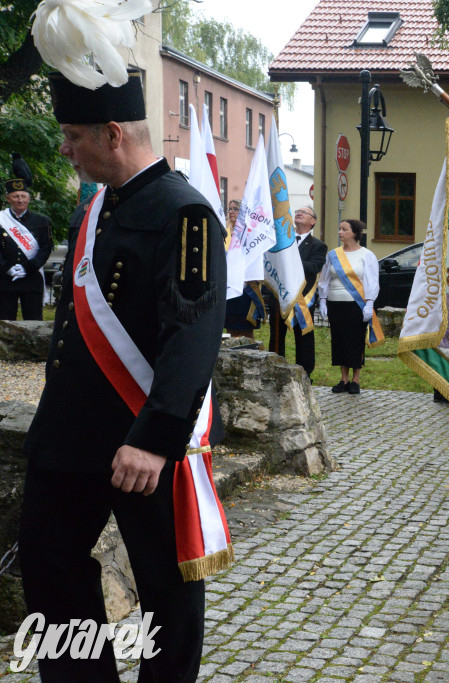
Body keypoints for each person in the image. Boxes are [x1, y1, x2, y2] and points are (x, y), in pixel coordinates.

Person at [18, 68, 229, 682]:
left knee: (168, 592)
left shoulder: (186, 212)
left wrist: (156, 438)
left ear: (113, 133)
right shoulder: (98, 208)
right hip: (72, 438)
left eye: (74, 135)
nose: (64, 147)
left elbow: (192, 337)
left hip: (143, 443)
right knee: (49, 562)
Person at [318, 218, 378, 394]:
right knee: (339, 340)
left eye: (344, 229)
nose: (340, 232)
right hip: (336, 303)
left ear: (354, 233)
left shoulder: (366, 255)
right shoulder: (333, 255)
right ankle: (343, 379)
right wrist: (322, 299)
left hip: (356, 304)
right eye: (339, 229)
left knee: (355, 340)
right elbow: (325, 279)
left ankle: (355, 380)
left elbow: (372, 280)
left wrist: (370, 302)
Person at [271, 206, 326, 377]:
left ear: (313, 221)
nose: (298, 213)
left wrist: (291, 260)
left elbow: (314, 266)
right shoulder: (282, 241)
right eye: (297, 212)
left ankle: (304, 374)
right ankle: (275, 369)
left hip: (302, 297)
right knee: (276, 336)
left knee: (304, 338)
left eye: (304, 212)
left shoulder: (318, 245)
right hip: (280, 296)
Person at [1, 175, 52, 320]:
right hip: (5, 279)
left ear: (29, 198)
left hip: (31, 278)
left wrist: (27, 268)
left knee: (34, 322)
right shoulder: (1, 219)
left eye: (23, 196)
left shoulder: (42, 221)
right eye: (15, 196)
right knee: (4, 324)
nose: (20, 200)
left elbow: (45, 248)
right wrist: (6, 268)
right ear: (8, 198)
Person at [223, 199, 265, 339]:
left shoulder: (249, 234)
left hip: (245, 287)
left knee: (245, 330)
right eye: (230, 209)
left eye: (236, 209)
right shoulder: (224, 233)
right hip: (228, 287)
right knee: (230, 329)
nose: (231, 212)